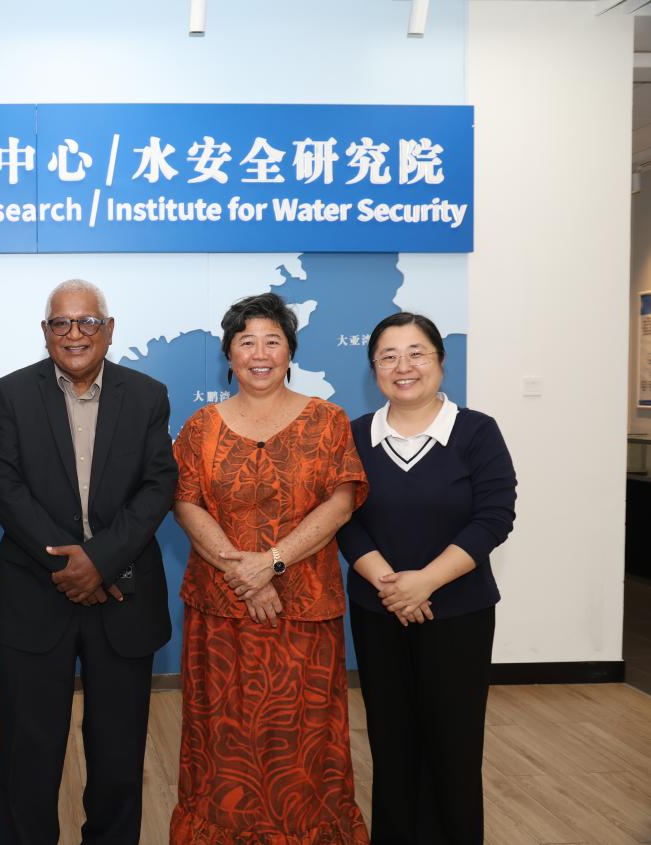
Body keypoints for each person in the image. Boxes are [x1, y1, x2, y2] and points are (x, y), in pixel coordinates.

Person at [169, 292, 369, 843]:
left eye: (272, 341)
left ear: (290, 351)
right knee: (222, 742)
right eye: (246, 342)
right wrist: (246, 574)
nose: (259, 354)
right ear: (229, 354)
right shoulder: (201, 426)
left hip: (302, 613)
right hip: (221, 613)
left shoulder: (327, 420)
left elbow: (341, 502)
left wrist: (272, 562)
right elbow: (185, 503)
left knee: (302, 743)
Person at [0, 279, 177, 845]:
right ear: (45, 332)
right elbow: (4, 486)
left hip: (123, 595)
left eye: (88, 321)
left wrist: (99, 561)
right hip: (35, 594)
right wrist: (70, 567)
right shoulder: (11, 393)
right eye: (61, 323)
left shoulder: (147, 395)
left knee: (119, 754)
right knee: (28, 753)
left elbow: (158, 485)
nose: (75, 333)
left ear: (109, 329)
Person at [336, 313, 516, 844]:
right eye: (388, 356)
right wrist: (393, 586)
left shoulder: (476, 431)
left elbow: (494, 517)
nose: (404, 366)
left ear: (440, 360)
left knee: (454, 750)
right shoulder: (354, 435)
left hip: (459, 613)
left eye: (417, 353)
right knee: (391, 746)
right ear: (373, 368)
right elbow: (343, 517)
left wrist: (426, 583)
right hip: (379, 612)